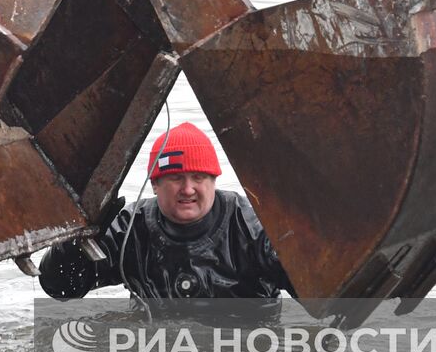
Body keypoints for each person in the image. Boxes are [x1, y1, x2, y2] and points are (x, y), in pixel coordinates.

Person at [39, 122, 295, 300]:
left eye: (198, 177)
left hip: (245, 344)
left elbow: (313, 294)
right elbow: (60, 289)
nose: (188, 189)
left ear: (214, 181)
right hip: (157, 346)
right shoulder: (129, 228)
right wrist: (79, 239)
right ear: (155, 184)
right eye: (176, 178)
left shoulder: (252, 225)